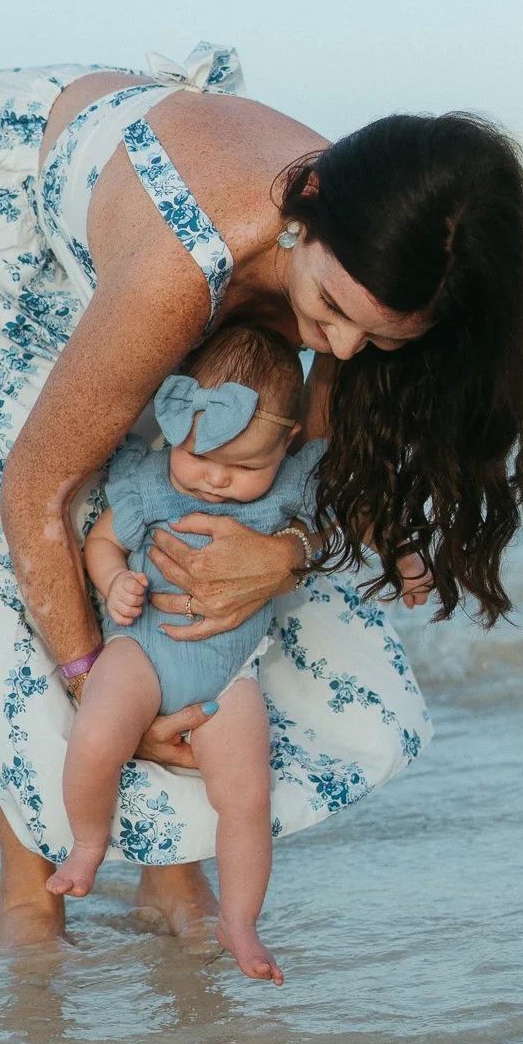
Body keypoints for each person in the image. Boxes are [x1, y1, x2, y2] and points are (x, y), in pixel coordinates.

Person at [0, 46, 523, 953]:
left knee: (206, 488)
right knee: (48, 534)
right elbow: (35, 491)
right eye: (333, 314)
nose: (341, 353)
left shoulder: (383, 255)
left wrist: (290, 553)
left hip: (165, 216)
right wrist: (96, 686)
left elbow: (306, 476)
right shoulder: (180, 271)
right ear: (304, 218)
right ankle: (30, 897)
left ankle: (170, 873)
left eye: (377, 340)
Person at [45, 323, 325, 983]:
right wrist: (114, 581)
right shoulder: (152, 485)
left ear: (285, 446)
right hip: (141, 650)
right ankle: (87, 845)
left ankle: (239, 920)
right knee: (96, 736)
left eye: (245, 466)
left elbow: (324, 533)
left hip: (229, 676)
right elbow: (103, 543)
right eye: (199, 457)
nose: (218, 480)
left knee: (248, 793)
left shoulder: (285, 496)